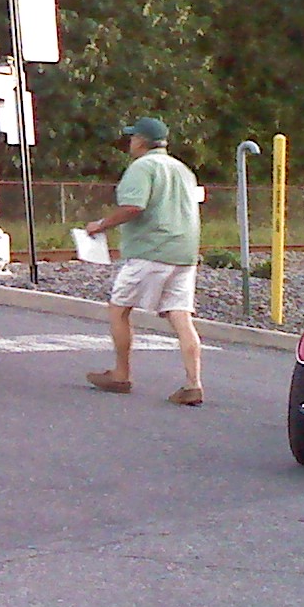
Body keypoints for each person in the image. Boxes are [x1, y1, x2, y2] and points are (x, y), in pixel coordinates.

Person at [84, 117, 205, 406]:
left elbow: (133, 207)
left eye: (132, 137)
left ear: (141, 141)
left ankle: (121, 374)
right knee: (181, 316)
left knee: (119, 309)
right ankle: (193, 383)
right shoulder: (182, 169)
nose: (130, 142)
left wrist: (101, 225)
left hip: (151, 251)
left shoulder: (142, 167)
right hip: (184, 253)